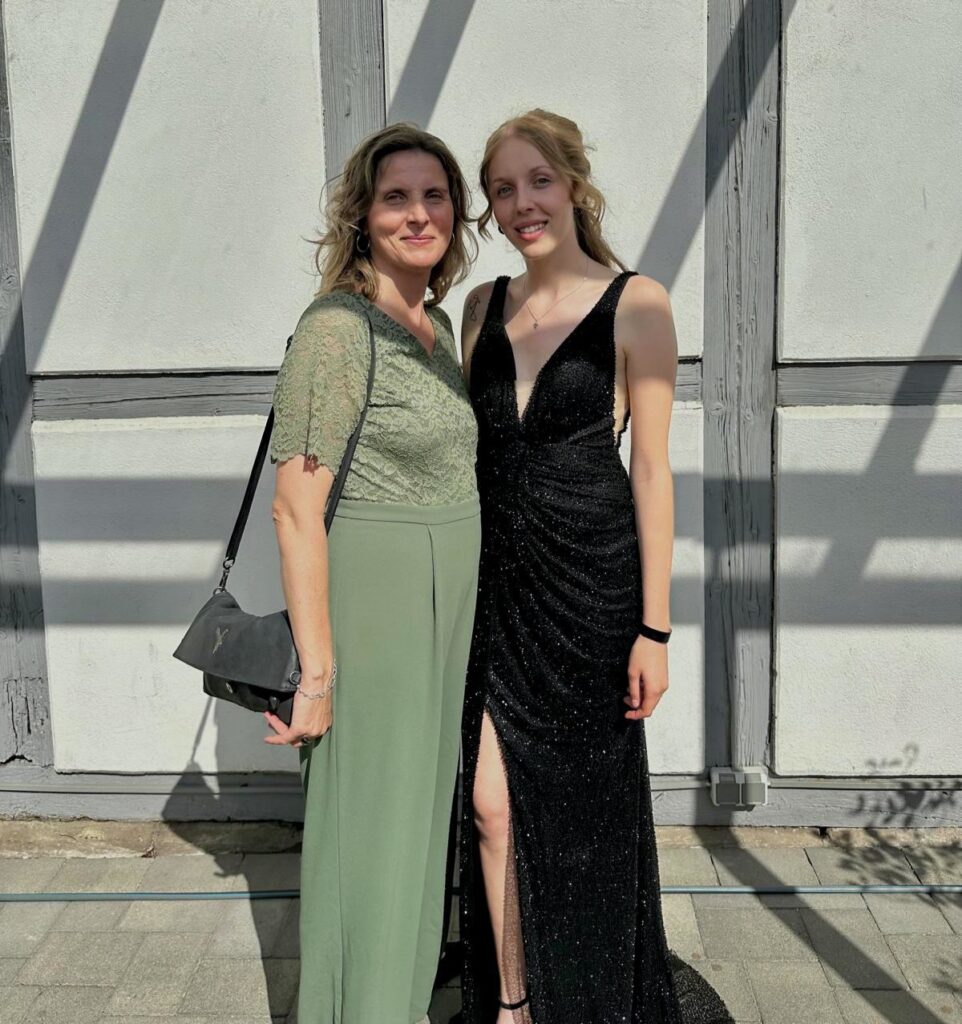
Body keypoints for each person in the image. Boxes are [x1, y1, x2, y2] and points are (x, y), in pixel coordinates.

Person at [458, 109, 732, 1024]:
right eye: (503, 189)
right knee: (491, 805)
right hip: (497, 593)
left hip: (592, 593)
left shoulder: (638, 302)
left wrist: (655, 628)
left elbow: (652, 471)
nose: (522, 203)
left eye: (539, 180)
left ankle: (592, 991)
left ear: (573, 184)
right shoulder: (480, 308)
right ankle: (512, 1004)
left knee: (585, 819)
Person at [266, 123, 481, 1024]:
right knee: (372, 828)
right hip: (381, 599)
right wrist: (317, 676)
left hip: (446, 603)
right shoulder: (336, 329)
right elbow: (295, 508)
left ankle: (396, 1001)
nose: (418, 214)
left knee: (420, 825)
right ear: (362, 215)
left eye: (435, 196)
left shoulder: (436, 327)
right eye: (397, 197)